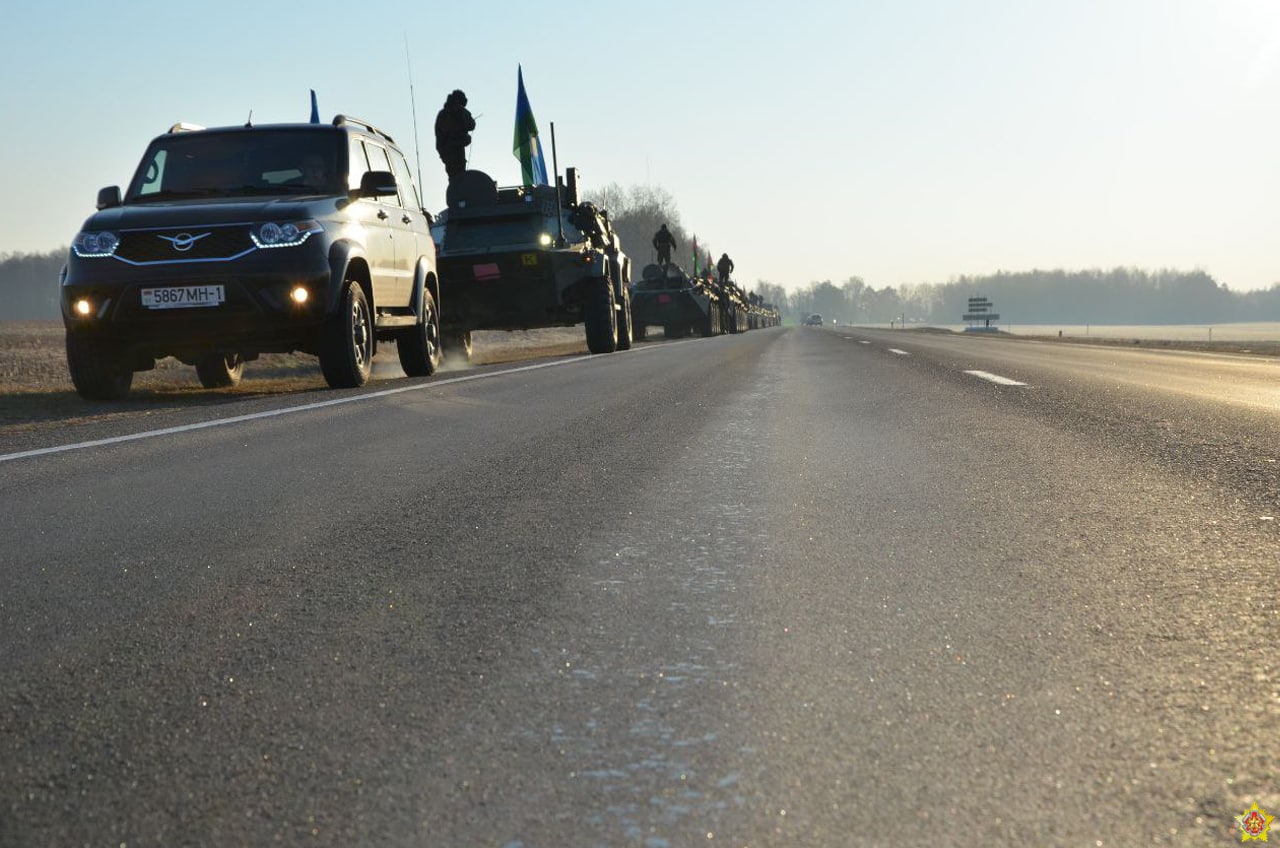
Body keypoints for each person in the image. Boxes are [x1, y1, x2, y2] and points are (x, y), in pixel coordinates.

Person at [434, 89, 475, 180]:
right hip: (453, 153)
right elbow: (471, 125)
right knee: (458, 180)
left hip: (447, 153)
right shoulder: (457, 112)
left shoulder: (443, 114)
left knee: (455, 179)